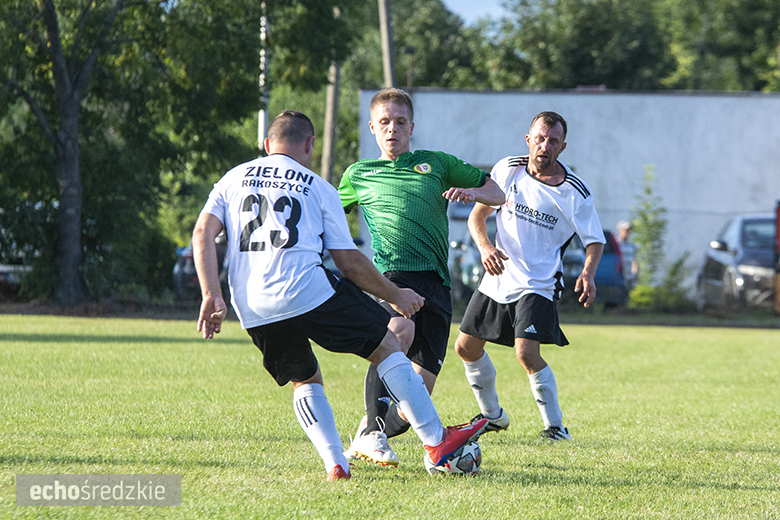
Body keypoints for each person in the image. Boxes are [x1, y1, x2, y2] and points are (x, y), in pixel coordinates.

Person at [192, 110, 488, 481]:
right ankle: (435, 440)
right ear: (309, 145)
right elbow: (347, 261)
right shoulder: (317, 186)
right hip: (308, 290)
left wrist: (211, 294)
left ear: (267, 145)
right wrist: (394, 293)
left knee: (304, 378)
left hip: (253, 306)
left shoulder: (232, 178)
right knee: (385, 345)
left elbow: (203, 231)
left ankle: (336, 464)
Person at [338, 88, 505, 466]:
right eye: (384, 122)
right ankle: (372, 434)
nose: (392, 129)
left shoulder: (436, 163)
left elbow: (496, 193)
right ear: (372, 128)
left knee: (415, 400)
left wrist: (471, 190)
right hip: (392, 276)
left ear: (412, 126)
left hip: (437, 285)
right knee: (397, 334)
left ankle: (368, 431)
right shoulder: (359, 174)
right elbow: (328, 213)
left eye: (400, 122)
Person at [453, 111, 605, 441]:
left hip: (538, 282)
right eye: (539, 138)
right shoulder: (507, 169)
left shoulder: (575, 191)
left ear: (562, 147)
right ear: (528, 139)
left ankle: (556, 427)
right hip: (498, 276)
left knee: (526, 353)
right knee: (465, 348)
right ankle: (492, 416)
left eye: (552, 141)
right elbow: (477, 217)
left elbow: (594, 240)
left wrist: (588, 274)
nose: (544, 146)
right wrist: (485, 248)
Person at [616, 220, 638, 289]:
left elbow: (634, 260)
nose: (627, 232)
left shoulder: (632, 245)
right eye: (625, 230)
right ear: (620, 230)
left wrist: (635, 274)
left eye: (628, 230)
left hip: (629, 277)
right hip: (619, 277)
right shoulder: (616, 244)